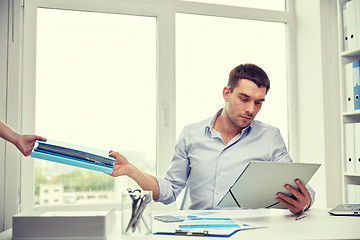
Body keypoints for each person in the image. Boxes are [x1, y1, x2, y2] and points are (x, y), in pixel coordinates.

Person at [109, 63, 314, 214]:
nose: (251, 109)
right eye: (244, 99)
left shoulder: (270, 137)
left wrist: (305, 202)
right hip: (197, 232)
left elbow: (296, 184)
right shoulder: (191, 135)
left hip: (250, 233)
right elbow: (169, 191)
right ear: (227, 93)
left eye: (259, 102)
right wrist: (131, 170)